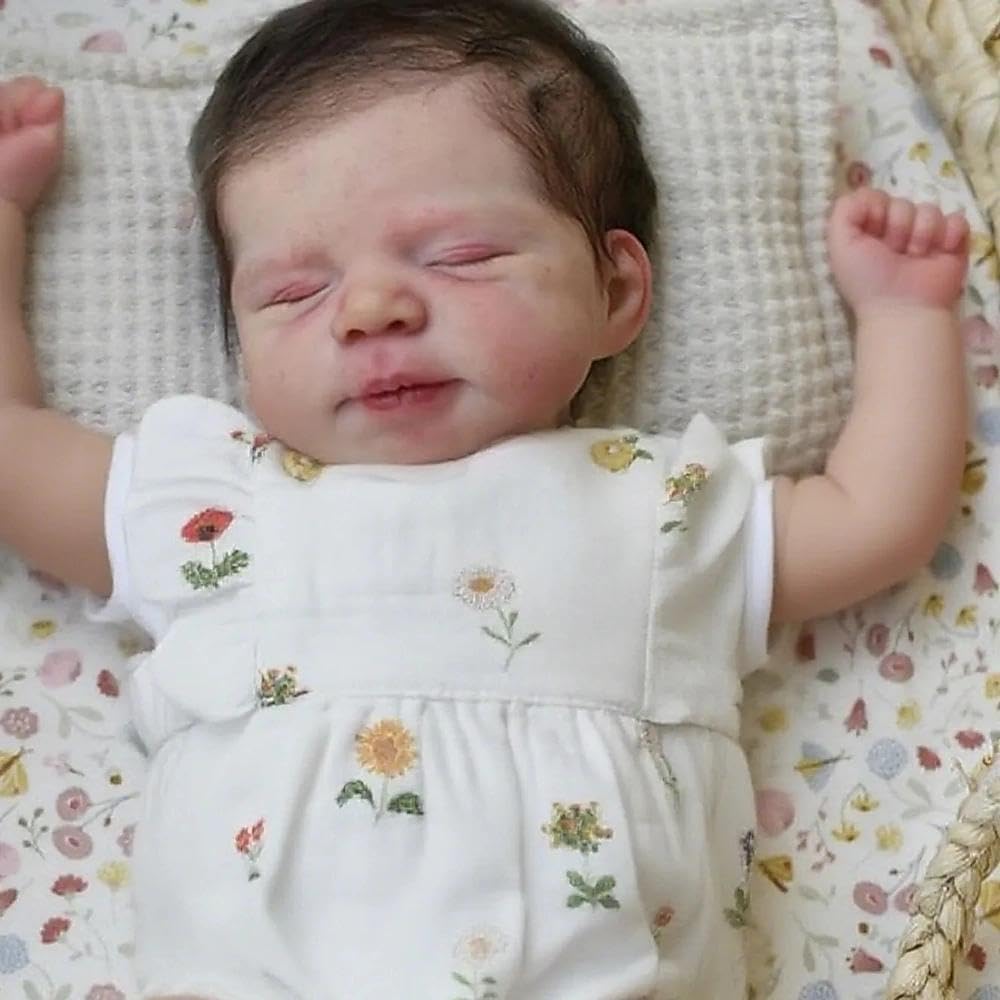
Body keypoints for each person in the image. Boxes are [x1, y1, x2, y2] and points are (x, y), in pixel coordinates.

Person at [0, 0, 970, 996]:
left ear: (613, 290)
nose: (372, 309)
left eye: (459, 257)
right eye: (294, 292)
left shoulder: (657, 508)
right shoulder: (220, 505)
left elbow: (875, 519)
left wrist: (904, 316)